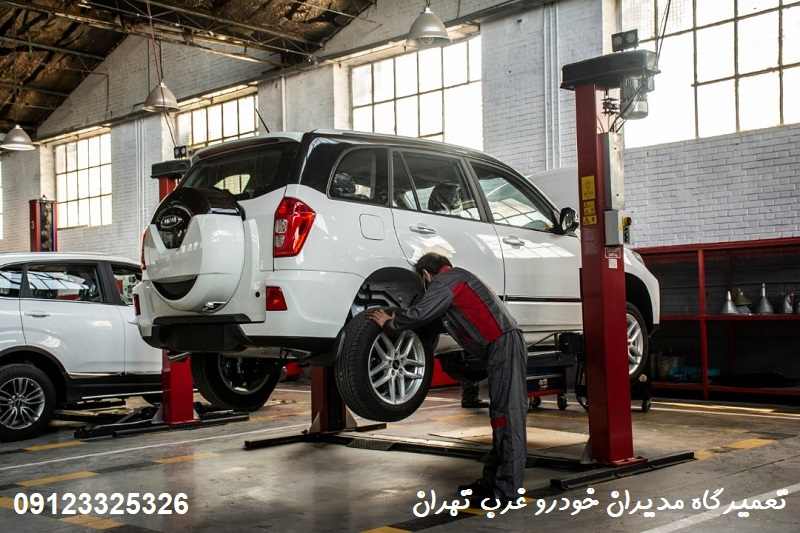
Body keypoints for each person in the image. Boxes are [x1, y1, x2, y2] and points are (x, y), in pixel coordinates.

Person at [367, 252, 528, 502]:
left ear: (425, 274)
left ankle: (507, 492)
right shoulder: (457, 279)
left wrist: (391, 322)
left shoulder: (446, 280)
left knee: (508, 417)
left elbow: (421, 313)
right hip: (500, 346)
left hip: (504, 345)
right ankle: (492, 483)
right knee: (501, 416)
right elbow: (434, 321)